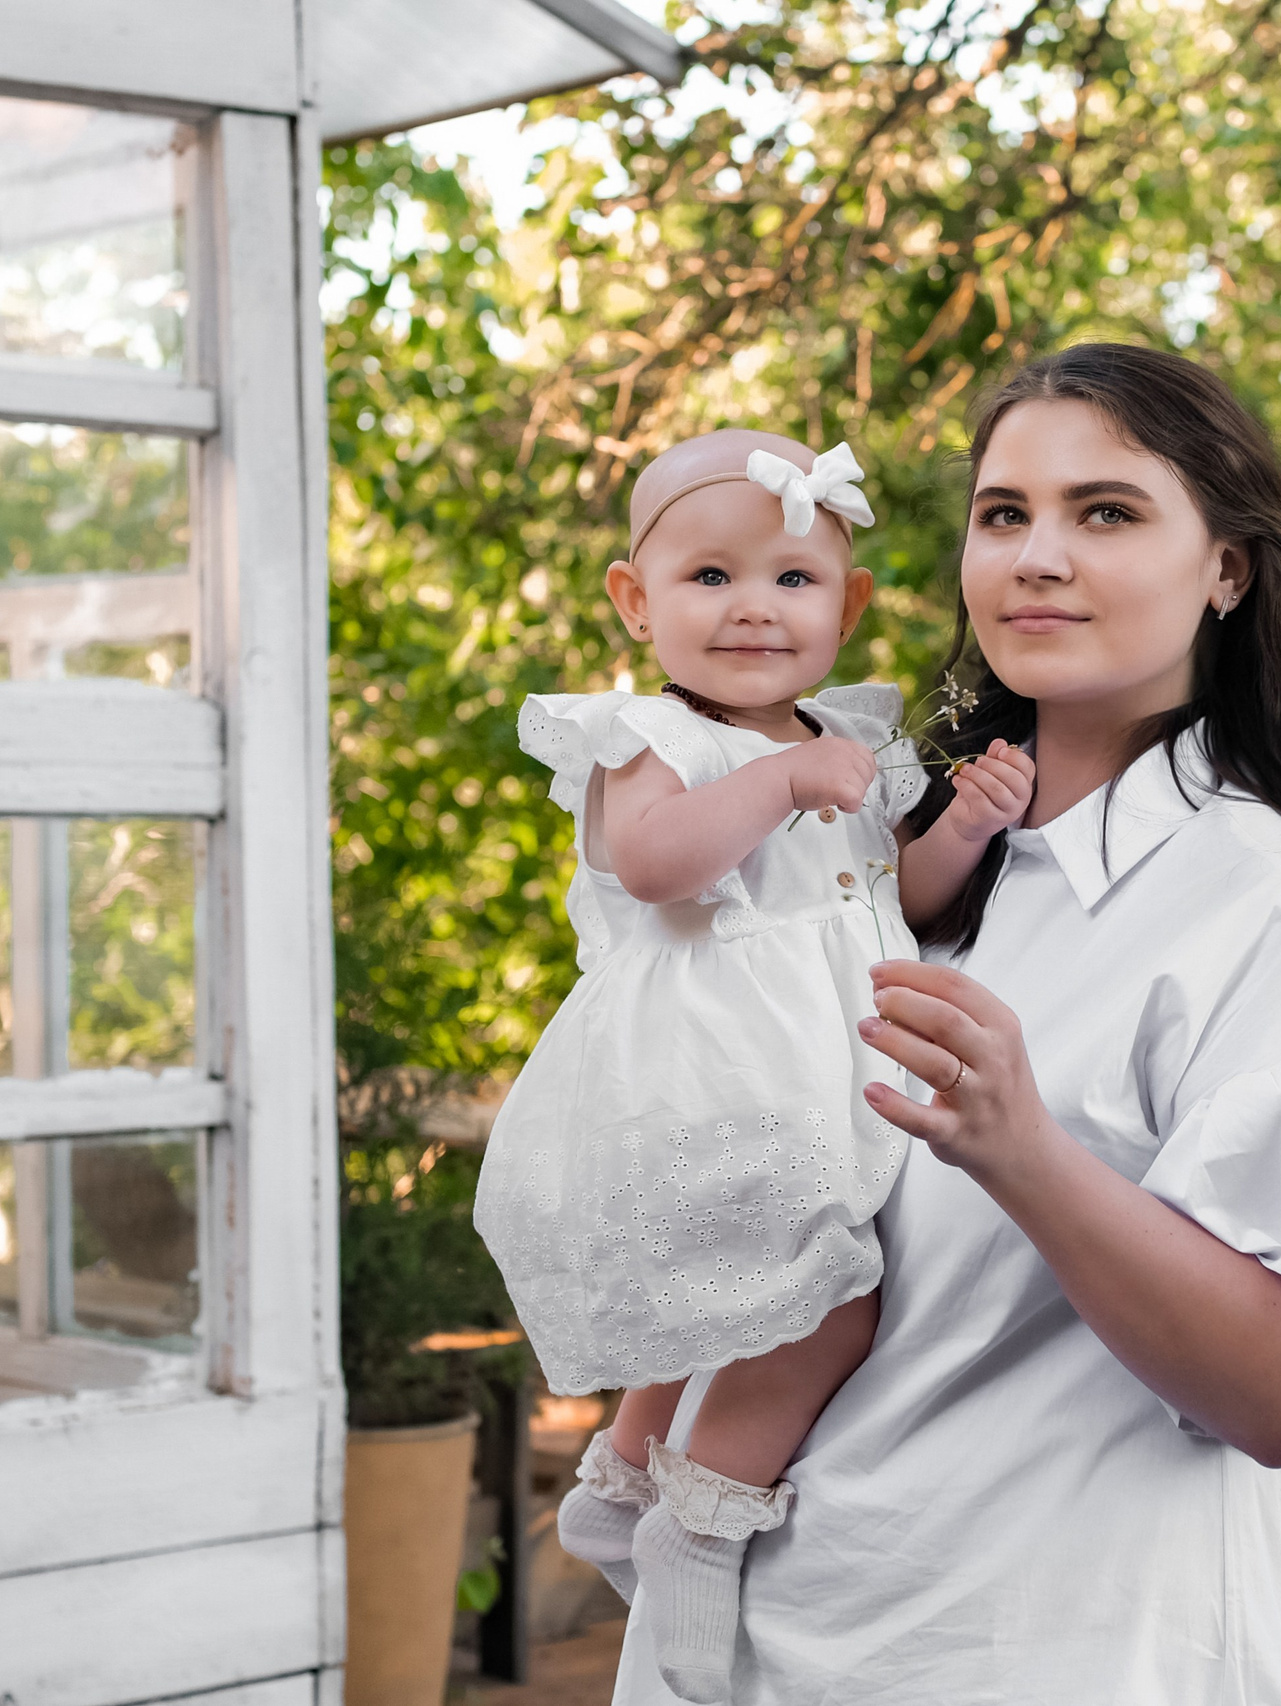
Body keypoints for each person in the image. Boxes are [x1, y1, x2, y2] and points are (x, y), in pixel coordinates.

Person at [609, 344, 1281, 1705]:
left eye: (1108, 512)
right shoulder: (895, 862)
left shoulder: (1274, 899)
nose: (1037, 555)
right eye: (1004, 513)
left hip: (1039, 1658)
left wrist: (1022, 1146)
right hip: (764, 1646)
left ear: (1229, 569)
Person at [474, 430, 1035, 1703]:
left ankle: (623, 1484)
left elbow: (902, 894)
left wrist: (968, 819)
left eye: (789, 580)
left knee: (735, 1292)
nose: (751, 610)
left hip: (816, 1064)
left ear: (847, 604)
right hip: (712, 1072)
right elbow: (655, 862)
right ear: (636, 599)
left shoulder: (848, 734)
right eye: (709, 577)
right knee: (820, 1298)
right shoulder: (651, 738)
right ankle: (701, 1520)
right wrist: (783, 778)